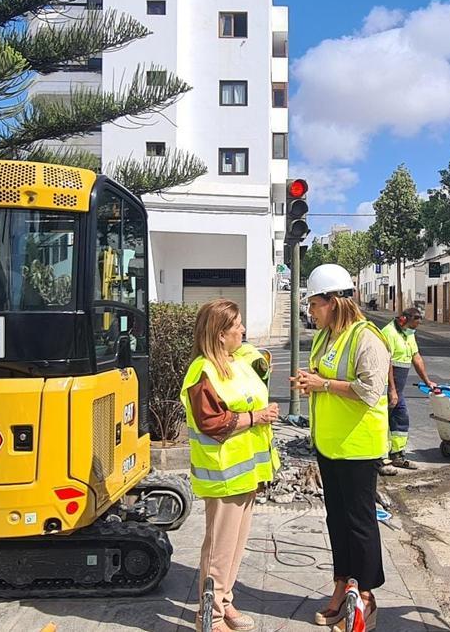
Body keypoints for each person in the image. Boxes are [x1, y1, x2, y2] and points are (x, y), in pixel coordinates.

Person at [291, 264, 390, 631]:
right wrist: (309, 382)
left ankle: (365, 594)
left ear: (333, 301)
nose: (311, 311)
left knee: (360, 523)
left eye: (315, 304)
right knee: (337, 520)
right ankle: (340, 586)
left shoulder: (367, 338)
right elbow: (323, 377)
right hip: (330, 446)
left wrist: (324, 385)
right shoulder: (324, 336)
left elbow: (370, 391)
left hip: (358, 448)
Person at [181, 299, 281, 632]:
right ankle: (209, 617)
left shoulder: (234, 360)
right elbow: (211, 422)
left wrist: (264, 365)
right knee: (219, 548)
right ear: (219, 334)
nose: (242, 330)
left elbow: (257, 361)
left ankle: (224, 601)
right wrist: (256, 417)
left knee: (235, 545)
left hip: (245, 472)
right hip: (223, 473)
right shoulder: (203, 370)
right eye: (236, 325)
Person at [379, 307, 436, 474]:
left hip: (399, 389)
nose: (413, 330)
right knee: (383, 422)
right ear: (403, 319)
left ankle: (397, 455)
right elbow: (386, 363)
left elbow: (416, 357)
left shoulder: (408, 334)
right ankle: (381, 459)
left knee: (400, 419)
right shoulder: (388, 333)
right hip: (389, 386)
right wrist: (392, 391)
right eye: (412, 325)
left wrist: (427, 381)